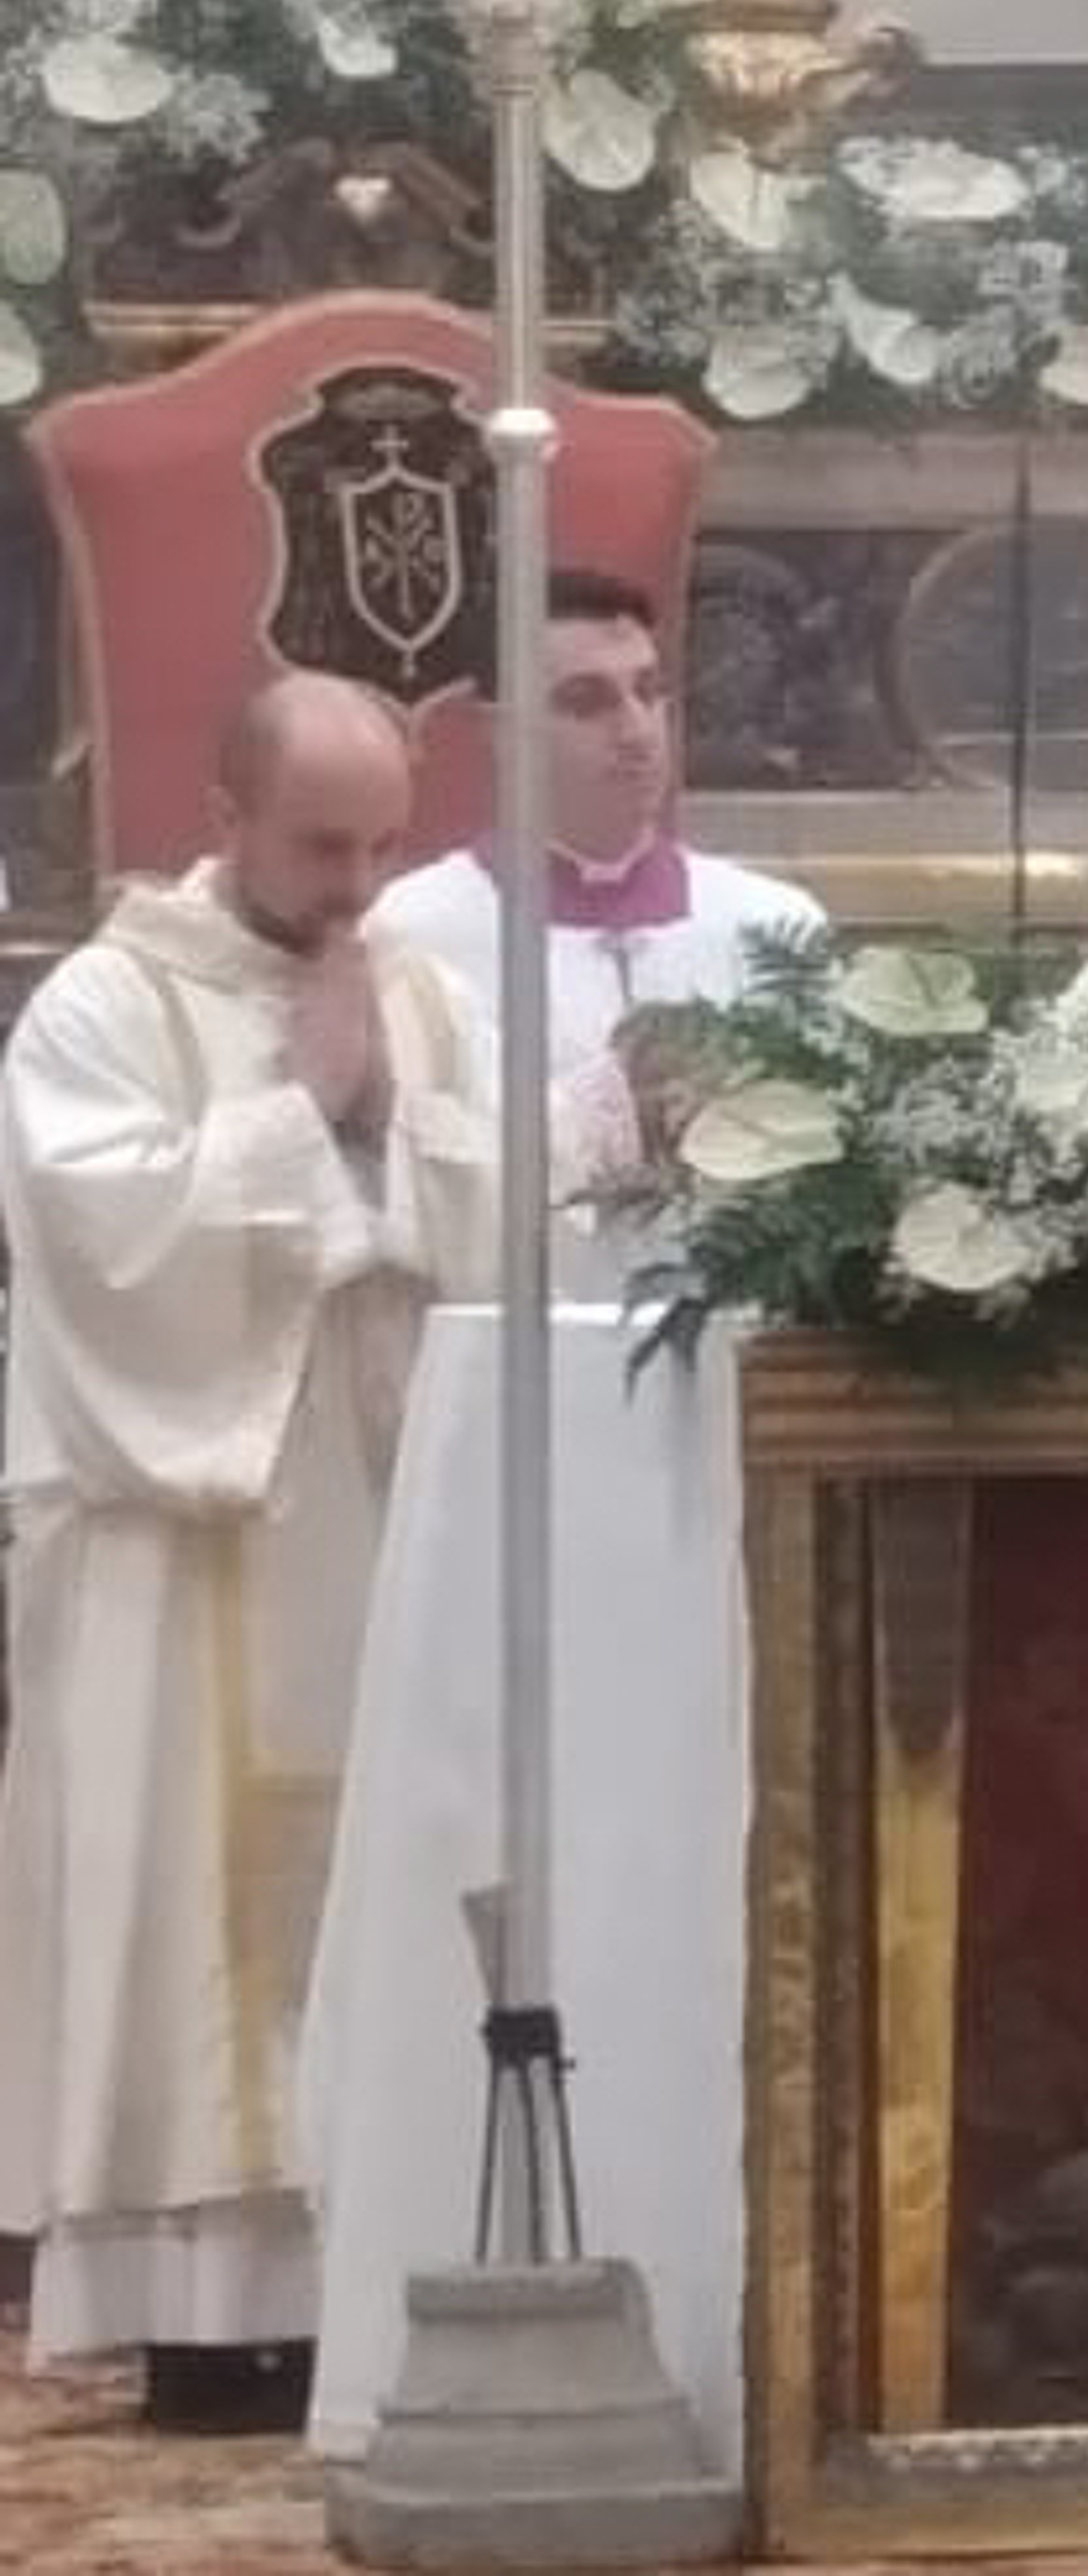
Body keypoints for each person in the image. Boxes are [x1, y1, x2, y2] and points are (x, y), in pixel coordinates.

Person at [0, 673, 496, 2432]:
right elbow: (104, 1245)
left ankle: (378, 2260)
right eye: (320, 846)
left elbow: (491, 1202)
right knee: (188, 1905)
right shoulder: (107, 1003)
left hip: (379, 1506)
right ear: (224, 816)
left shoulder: (419, 986)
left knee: (386, 1873)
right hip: (187, 1538)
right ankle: (206, 2317)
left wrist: (386, 1124)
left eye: (383, 846)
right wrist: (313, 1114)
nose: (357, 887)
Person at [368, 567, 823, 1271]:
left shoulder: (775, 924)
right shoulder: (410, 932)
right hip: (514, 1323)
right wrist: (607, 1105)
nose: (637, 731)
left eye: (648, 691)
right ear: (500, 732)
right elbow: (406, 1190)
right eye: (587, 703)